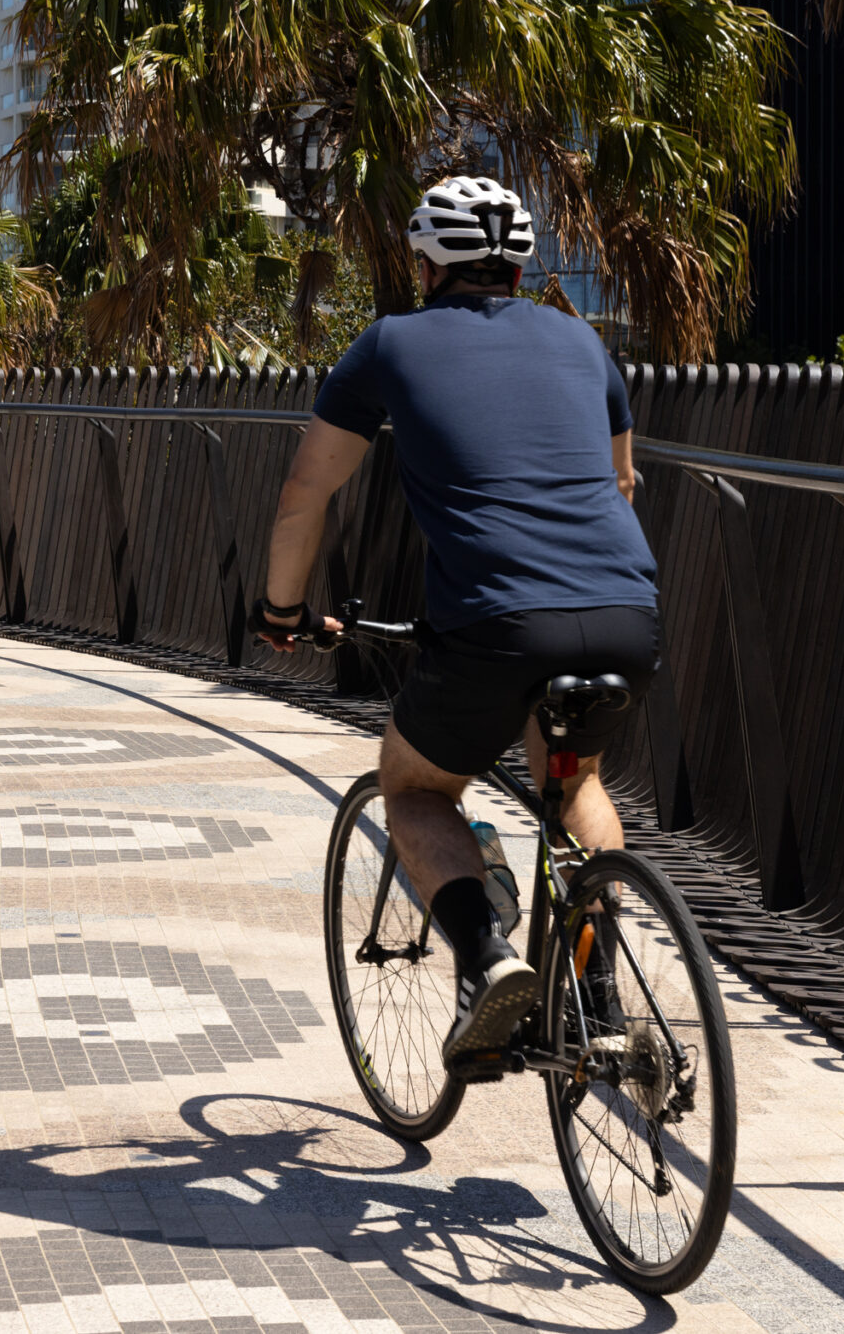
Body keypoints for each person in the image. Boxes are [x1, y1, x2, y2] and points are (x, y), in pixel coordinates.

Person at [255, 176, 658, 1070]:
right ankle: (596, 994)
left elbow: (305, 491)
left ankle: (485, 960)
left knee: (415, 788)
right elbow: (623, 484)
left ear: (427, 265)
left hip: (497, 621)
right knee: (577, 784)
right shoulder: (581, 340)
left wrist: (282, 609)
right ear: (518, 266)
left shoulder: (391, 342)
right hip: (625, 610)